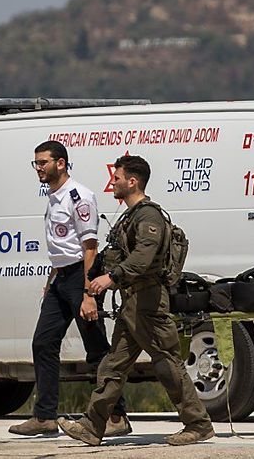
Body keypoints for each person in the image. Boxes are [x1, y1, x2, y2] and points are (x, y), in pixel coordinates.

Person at [57, 155, 214, 447]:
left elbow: (143, 258)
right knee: (113, 365)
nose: (112, 182)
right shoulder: (129, 217)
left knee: (168, 364)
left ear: (132, 181)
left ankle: (198, 424)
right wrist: (92, 281)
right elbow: (114, 254)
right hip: (132, 304)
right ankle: (93, 426)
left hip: (149, 303)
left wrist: (111, 278)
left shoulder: (149, 217)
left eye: (116, 178)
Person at [8, 141, 130, 437]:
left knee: (96, 348)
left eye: (43, 162)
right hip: (61, 279)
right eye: (35, 163)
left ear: (60, 163)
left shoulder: (79, 197)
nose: (38, 168)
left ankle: (117, 416)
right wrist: (52, 279)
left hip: (81, 276)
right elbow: (62, 245)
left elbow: (90, 247)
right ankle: (44, 417)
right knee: (43, 342)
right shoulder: (53, 196)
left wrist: (88, 293)